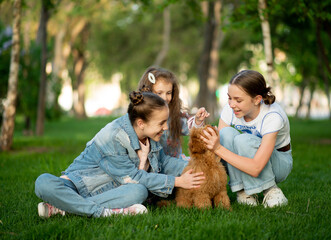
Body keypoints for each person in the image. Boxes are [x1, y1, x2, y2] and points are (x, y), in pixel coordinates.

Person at [35, 90, 205, 218]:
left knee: (138, 192)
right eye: (161, 123)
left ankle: (66, 207)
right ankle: (104, 212)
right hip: (78, 187)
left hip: (110, 194)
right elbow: (134, 177)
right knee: (42, 182)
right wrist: (177, 181)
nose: (166, 128)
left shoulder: (150, 134)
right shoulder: (113, 136)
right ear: (141, 123)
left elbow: (164, 162)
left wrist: (196, 166)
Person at [201, 70, 292, 208]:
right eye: (229, 98)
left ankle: (271, 190)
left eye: (238, 100)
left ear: (257, 99)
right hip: (248, 158)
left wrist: (218, 148)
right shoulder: (230, 109)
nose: (231, 104)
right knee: (225, 133)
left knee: (243, 140)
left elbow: (256, 167)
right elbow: (220, 148)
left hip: (277, 163)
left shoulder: (273, 115)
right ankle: (243, 191)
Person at [138, 67, 209, 159]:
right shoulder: (141, 117)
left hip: (176, 161)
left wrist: (197, 120)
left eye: (168, 93)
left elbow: (188, 127)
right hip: (155, 164)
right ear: (148, 92)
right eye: (159, 93)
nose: (164, 98)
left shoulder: (173, 114)